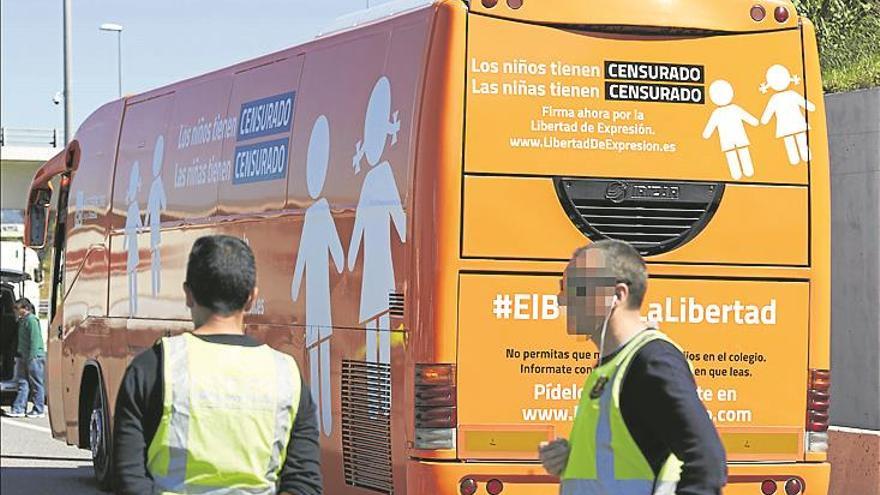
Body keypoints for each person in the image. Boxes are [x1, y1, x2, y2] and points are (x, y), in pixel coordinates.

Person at [113, 235, 322, 495]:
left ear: (188, 294)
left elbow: (128, 477)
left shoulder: (153, 367)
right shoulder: (286, 375)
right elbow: (304, 484)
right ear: (251, 297)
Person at [539, 240, 726, 495]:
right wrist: (571, 458)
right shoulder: (611, 366)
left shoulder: (652, 361)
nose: (562, 299)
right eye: (563, 288)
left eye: (575, 288)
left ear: (617, 295)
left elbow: (707, 462)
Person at [7, 298, 45, 418]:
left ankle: (39, 409)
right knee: (22, 382)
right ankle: (19, 408)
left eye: (18, 309)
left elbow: (35, 339)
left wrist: (32, 356)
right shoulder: (22, 321)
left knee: (36, 383)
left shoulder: (31, 320)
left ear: (25, 309)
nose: (16, 311)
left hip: (33, 357)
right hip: (23, 356)